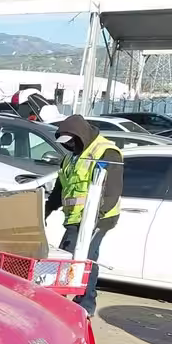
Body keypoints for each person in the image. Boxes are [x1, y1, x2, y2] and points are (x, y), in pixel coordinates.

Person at [44, 114, 123, 317]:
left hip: (98, 219)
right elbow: (60, 189)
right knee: (69, 257)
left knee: (84, 259)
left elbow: (111, 191)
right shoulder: (71, 157)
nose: (69, 145)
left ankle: (85, 303)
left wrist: (94, 221)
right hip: (75, 218)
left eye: (71, 141)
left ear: (80, 135)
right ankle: (61, 299)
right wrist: (45, 211)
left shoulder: (106, 152)